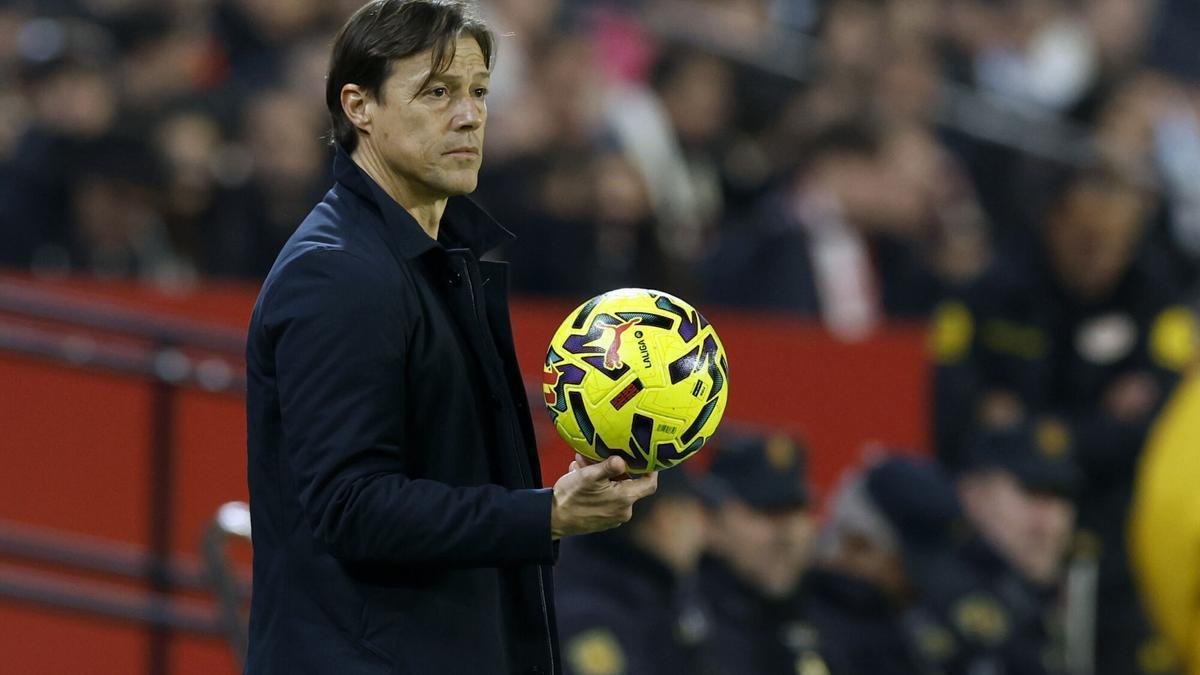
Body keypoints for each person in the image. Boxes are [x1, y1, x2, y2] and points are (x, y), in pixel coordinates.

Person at [243, 2, 658, 674]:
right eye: (436, 92)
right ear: (359, 106)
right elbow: (353, 506)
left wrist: (548, 501)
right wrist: (544, 514)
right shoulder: (338, 272)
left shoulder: (428, 258)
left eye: (479, 92)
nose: (469, 116)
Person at [933, 160, 1197, 675]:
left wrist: (1027, 426)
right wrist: (1098, 423)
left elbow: (1154, 434)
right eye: (1086, 240)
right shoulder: (996, 291)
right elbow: (955, 419)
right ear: (1054, 221)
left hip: (1115, 528)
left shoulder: (1154, 299)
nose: (1101, 259)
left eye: (1117, 244)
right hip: (995, 528)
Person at [808, 455, 966, 675]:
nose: (916, 584)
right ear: (858, 545)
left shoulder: (906, 616)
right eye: (909, 566)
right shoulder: (808, 633)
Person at [946, 423, 1081, 675]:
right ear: (973, 494)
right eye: (1031, 494)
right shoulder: (939, 609)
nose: (1048, 523)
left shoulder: (1065, 604)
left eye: (1060, 496)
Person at [556, 469, 710, 675]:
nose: (703, 533)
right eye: (696, 514)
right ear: (667, 517)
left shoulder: (654, 592)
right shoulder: (587, 614)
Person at [696, 432, 826, 675]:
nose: (788, 535)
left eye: (796, 513)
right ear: (712, 523)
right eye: (769, 513)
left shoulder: (829, 621)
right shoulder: (681, 623)